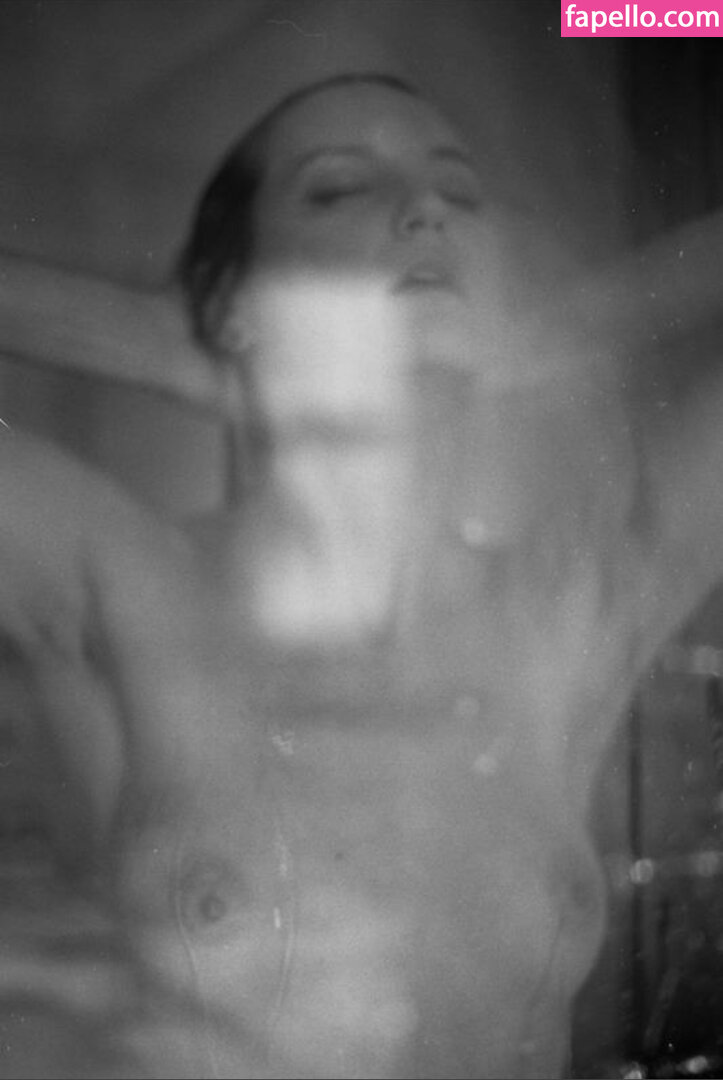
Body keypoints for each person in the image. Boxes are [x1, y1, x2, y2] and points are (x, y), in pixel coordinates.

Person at [2, 38, 723, 1080]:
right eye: (338, 189)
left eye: (458, 194)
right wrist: (146, 334)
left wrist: (571, 325)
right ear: (231, 303)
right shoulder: (120, 583)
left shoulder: (565, 609)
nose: (425, 211)